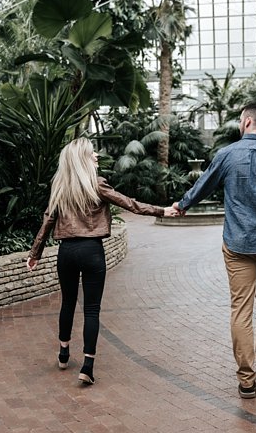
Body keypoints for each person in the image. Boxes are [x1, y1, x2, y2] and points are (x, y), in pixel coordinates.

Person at [165, 101, 256, 399]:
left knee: (241, 307)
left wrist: (182, 205)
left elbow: (203, 186)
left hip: (237, 245)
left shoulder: (227, 155)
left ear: (246, 122)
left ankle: (247, 379)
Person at [27, 138, 169, 385]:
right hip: (92, 251)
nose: (96, 157)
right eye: (92, 154)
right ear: (83, 158)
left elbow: (48, 221)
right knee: (91, 309)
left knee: (68, 303)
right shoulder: (97, 185)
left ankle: (63, 353)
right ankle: (87, 367)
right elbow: (130, 204)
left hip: (66, 253)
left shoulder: (60, 187)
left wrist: (35, 253)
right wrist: (162, 211)